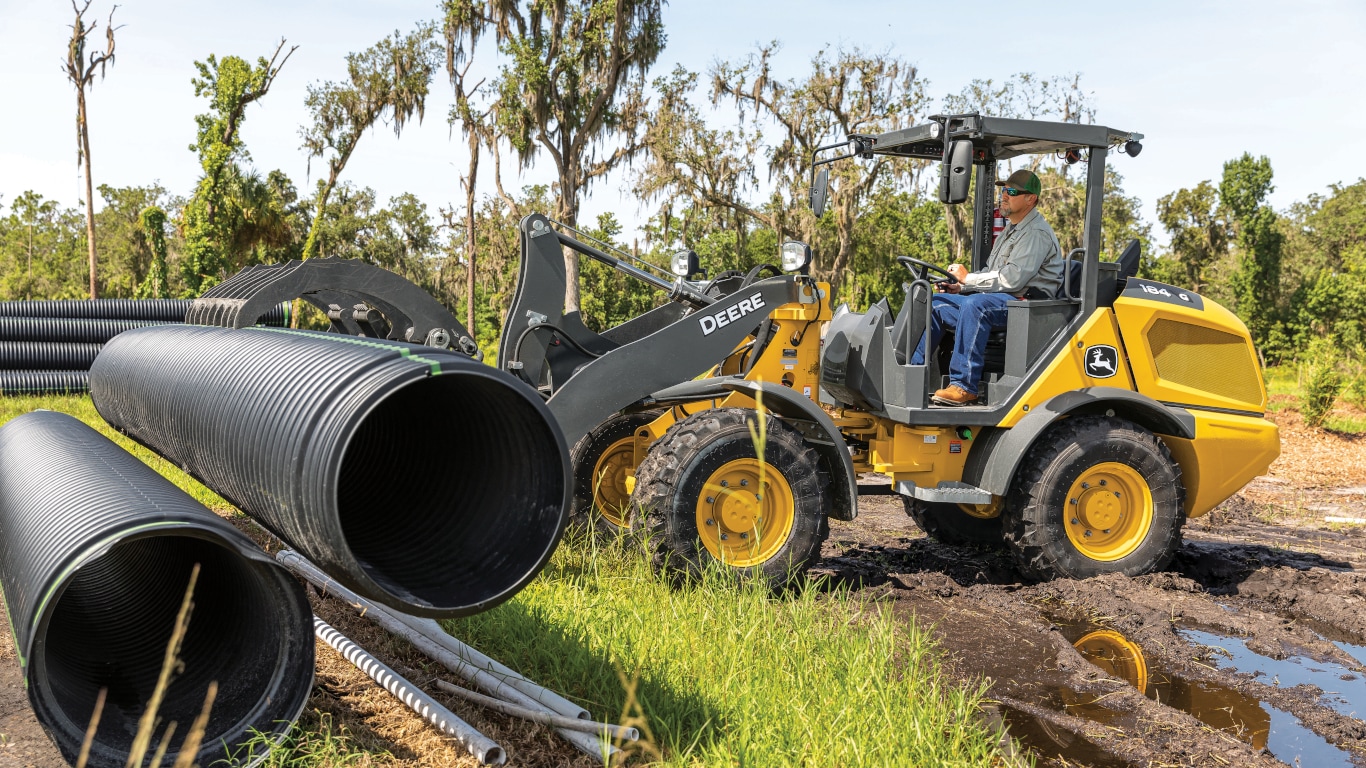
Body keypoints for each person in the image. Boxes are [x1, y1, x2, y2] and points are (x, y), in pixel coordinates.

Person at [910, 169, 1063, 406]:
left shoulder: (1036, 233)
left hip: (1027, 306)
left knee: (976, 306)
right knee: (937, 304)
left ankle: (963, 386)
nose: (1004, 195)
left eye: (1011, 192)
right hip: (1001, 300)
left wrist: (968, 279)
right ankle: (911, 374)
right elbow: (992, 272)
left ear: (1030, 199)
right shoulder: (1011, 230)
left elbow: (1013, 280)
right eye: (1003, 190)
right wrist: (960, 287)